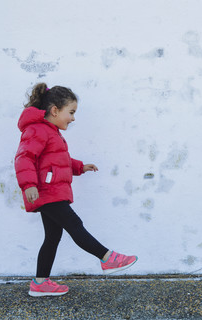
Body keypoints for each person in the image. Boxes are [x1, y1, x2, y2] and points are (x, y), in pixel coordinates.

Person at [15, 83, 138, 297]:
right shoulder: (37, 130)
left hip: (50, 191)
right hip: (47, 191)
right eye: (71, 112)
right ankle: (108, 258)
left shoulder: (51, 132)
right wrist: (29, 185)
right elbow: (24, 157)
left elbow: (59, 160)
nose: (73, 118)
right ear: (54, 110)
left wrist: (80, 167)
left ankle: (40, 283)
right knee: (75, 224)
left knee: (52, 237)